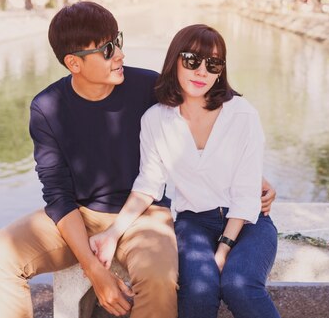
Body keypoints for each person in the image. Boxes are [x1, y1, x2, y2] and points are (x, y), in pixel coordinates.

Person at [0, 2, 277, 318]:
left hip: (145, 215)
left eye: (117, 41)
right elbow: (57, 197)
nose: (119, 53)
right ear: (73, 63)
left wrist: (252, 176)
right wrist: (94, 269)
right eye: (107, 50)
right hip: (77, 216)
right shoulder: (47, 108)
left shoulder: (149, 87)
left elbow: (203, 115)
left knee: (160, 280)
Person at [90, 24, 280, 318]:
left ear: (220, 71)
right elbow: (148, 184)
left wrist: (223, 251)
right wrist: (113, 233)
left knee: (238, 285)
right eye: (192, 60)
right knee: (200, 290)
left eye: (213, 63)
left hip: (250, 222)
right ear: (175, 61)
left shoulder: (242, 115)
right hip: (194, 223)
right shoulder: (156, 120)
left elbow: (245, 193)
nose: (202, 71)